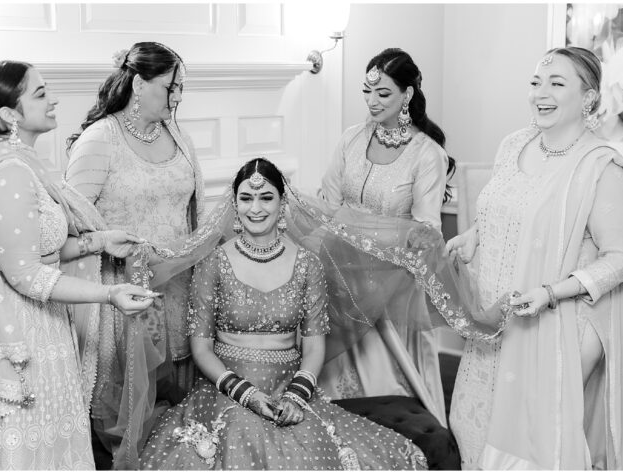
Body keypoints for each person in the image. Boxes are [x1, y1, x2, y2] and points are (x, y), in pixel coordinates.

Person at [0, 60, 155, 470]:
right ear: (9, 114)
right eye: (40, 94)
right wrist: (110, 294)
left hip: (45, 332)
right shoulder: (8, 173)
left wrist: (98, 241)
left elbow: (41, 249)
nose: (52, 101)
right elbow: (26, 275)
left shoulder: (21, 164)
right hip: (24, 342)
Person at [138, 158, 427, 470]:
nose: (256, 208)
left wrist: (297, 395)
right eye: (246, 199)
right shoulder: (215, 263)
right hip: (227, 389)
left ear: (282, 202)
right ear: (235, 205)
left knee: (313, 451)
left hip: (288, 388)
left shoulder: (307, 264)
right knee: (240, 435)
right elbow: (201, 348)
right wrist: (244, 393)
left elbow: (315, 345)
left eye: (266, 198)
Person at [446, 46, 623, 470]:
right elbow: (511, 210)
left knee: (525, 451)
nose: (540, 93)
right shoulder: (514, 144)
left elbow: (620, 259)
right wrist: (476, 235)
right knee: (472, 427)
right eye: (535, 82)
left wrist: (551, 293)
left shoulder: (600, 167)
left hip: (553, 325)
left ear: (588, 97)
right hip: (493, 322)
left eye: (556, 83)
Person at [65, 42, 204, 467]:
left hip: (179, 286)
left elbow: (191, 211)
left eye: (182, 88)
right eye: (170, 87)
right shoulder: (98, 140)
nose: (178, 98)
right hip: (121, 296)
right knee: (128, 408)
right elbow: (66, 227)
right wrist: (108, 238)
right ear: (139, 84)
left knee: (177, 400)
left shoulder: (176, 134)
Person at [317, 48, 454, 424]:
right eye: (367, 92)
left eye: (383, 94)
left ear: (407, 95)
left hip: (391, 283)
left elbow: (426, 230)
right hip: (340, 275)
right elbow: (327, 201)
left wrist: (385, 253)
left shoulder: (427, 154)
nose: (372, 102)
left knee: (385, 393)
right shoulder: (350, 138)